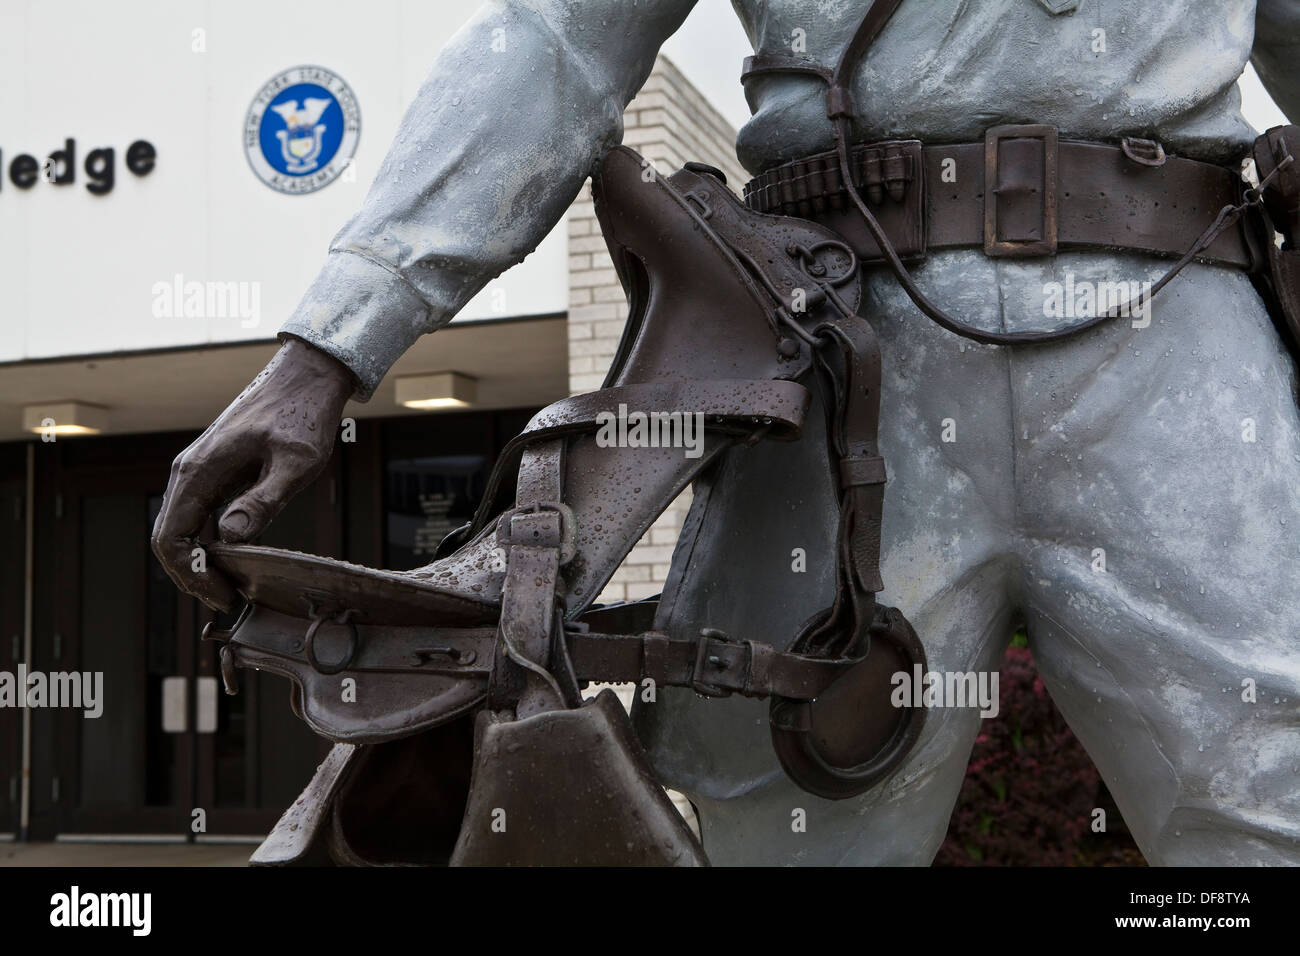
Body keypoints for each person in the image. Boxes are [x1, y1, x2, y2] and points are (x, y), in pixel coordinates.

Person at [153, 0, 1300, 865]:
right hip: (838, 357)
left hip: (1182, 347)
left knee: (1272, 802)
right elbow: (555, 39)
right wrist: (329, 344)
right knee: (789, 826)